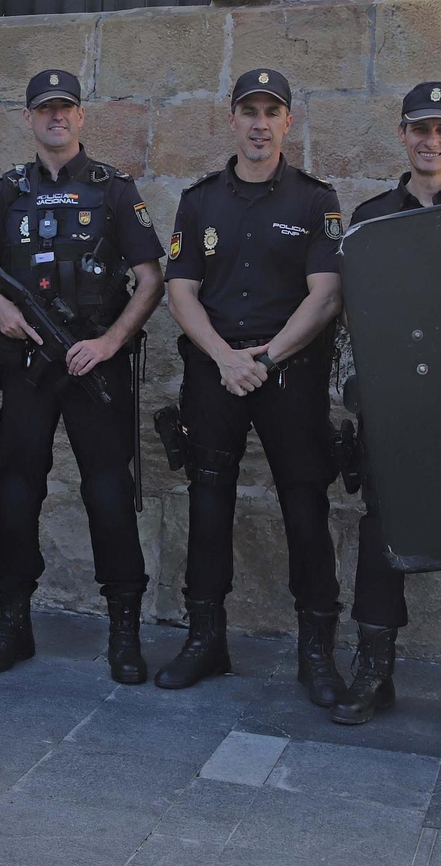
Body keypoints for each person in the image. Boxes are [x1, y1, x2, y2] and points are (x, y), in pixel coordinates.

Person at [0, 70, 164, 683]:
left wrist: (109, 342)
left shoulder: (113, 190)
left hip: (92, 365)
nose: (56, 117)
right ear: (29, 119)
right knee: (15, 488)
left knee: (108, 495)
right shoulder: (9, 190)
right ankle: (12, 622)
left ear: (82, 117)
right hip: (31, 366)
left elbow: (151, 278)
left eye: (66, 108)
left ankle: (124, 629)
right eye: (44, 109)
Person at [158, 69, 345, 697]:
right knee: (208, 503)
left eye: (272, 111)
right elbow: (178, 289)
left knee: (305, 505)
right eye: (249, 112)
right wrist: (223, 357)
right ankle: (205, 639)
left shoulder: (317, 201)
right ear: (231, 120)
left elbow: (325, 296)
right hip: (216, 371)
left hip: (288, 371)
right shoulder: (200, 200)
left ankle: (316, 651)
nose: (260, 123)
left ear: (289, 121)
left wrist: (264, 359)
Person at [333, 82, 441, 741]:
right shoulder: (371, 216)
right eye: (419, 129)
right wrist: (356, 394)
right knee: (383, 538)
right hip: (394, 410)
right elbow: (352, 316)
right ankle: (375, 673)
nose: (431, 141)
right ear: (402, 136)